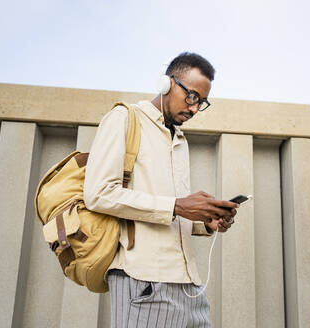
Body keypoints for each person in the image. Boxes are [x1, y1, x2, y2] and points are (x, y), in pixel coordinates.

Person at [83, 52, 239, 328]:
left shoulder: (180, 139)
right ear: (167, 83)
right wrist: (178, 206)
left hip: (191, 286)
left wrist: (206, 222)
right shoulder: (124, 118)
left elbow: (167, 210)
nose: (194, 108)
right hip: (144, 281)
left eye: (201, 103)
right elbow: (98, 193)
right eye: (191, 96)